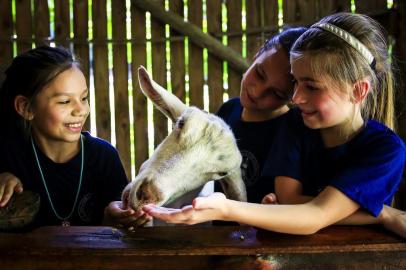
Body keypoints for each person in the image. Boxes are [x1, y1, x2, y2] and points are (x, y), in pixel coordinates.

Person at [141, 13, 406, 238]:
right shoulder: (296, 125)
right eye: (296, 83)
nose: (297, 98)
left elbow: (314, 215)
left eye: (311, 87)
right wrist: (379, 213)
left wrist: (227, 208)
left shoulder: (385, 150)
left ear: (358, 91)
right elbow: (291, 200)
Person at [0, 46, 141, 228]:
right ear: (26, 108)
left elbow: (122, 227)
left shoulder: (104, 157)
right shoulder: (8, 156)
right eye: (65, 101)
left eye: (83, 98)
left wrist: (116, 218)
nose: (81, 110)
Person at [215, 27, 307, 203]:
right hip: (218, 229)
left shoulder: (292, 130)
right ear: (258, 54)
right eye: (259, 74)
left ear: (294, 97)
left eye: (277, 94)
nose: (257, 93)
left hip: (262, 230)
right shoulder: (227, 110)